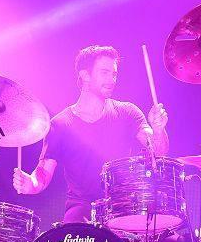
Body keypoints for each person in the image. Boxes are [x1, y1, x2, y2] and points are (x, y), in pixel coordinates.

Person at [12, 44, 169, 222]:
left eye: (114, 74)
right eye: (104, 72)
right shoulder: (60, 124)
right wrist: (31, 184)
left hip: (123, 205)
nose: (112, 80)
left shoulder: (128, 112)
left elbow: (158, 151)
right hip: (82, 207)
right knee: (71, 233)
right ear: (85, 75)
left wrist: (158, 129)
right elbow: (43, 174)